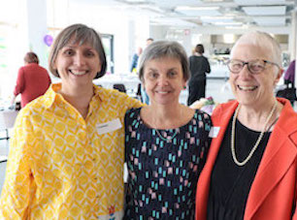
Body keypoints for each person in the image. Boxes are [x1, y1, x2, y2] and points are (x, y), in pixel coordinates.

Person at [0, 24, 142, 219]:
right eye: (69, 52)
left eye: (89, 54)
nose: (79, 61)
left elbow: (160, 115)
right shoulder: (33, 117)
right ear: (55, 61)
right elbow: (16, 188)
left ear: (100, 63)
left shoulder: (119, 106)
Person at [196, 31, 297, 220]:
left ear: (278, 75)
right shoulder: (217, 118)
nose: (243, 75)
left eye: (257, 66)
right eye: (236, 65)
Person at [124, 41, 212, 219]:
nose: (162, 82)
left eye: (172, 74)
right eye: (153, 74)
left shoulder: (202, 125)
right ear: (142, 80)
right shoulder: (130, 122)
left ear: (184, 79)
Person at [140, 37, 154, 104]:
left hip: (153, 83)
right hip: (145, 83)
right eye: (147, 44)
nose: (149, 46)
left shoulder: (156, 57)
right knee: (145, 102)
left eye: (150, 44)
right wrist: (143, 83)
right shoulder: (143, 56)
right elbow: (141, 71)